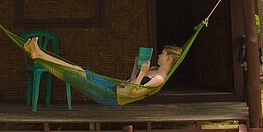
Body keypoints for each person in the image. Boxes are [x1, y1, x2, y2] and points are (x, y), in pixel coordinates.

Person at [22, 38, 183, 89]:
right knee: (78, 70)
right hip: (117, 86)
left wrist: (142, 73)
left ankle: (39, 54)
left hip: (113, 93)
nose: (159, 56)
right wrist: (136, 66)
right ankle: (39, 53)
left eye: (162, 54)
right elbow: (132, 82)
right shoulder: (154, 69)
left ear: (169, 58)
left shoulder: (159, 79)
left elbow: (133, 92)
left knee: (77, 71)